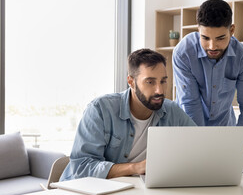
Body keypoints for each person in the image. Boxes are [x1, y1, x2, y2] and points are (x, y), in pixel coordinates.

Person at [60, 48, 196, 181]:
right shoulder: (100, 109)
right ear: (131, 82)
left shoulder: (171, 110)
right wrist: (136, 168)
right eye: (150, 82)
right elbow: (81, 167)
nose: (159, 90)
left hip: (134, 192)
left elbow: (199, 145)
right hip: (81, 192)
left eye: (163, 81)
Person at [172, 0, 243, 146]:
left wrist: (241, 141)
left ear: (231, 30)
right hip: (187, 129)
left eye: (220, 38)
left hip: (224, 131)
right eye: (205, 38)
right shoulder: (184, 52)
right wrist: (200, 143)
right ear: (198, 30)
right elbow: (190, 102)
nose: (212, 46)